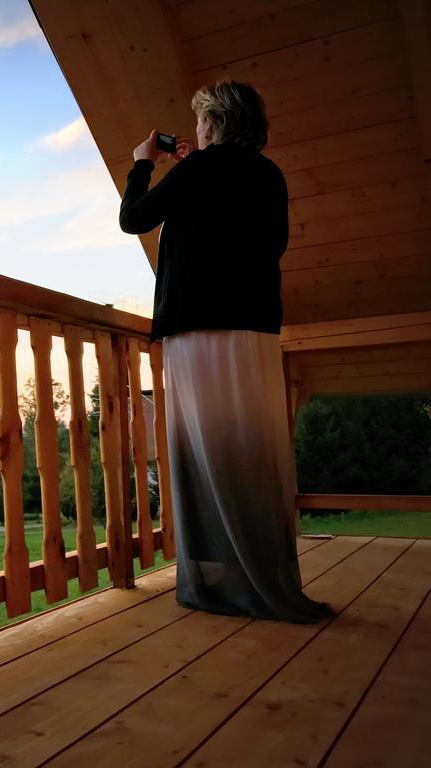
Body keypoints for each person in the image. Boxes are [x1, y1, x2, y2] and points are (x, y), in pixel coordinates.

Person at [118, 80, 335, 624]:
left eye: (200, 121)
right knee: (254, 451)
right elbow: (271, 244)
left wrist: (145, 163)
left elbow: (134, 218)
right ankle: (261, 575)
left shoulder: (199, 170)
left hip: (200, 328)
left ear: (212, 123)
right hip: (256, 330)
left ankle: (218, 582)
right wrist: (196, 171)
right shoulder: (268, 174)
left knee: (207, 451)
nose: (194, 130)